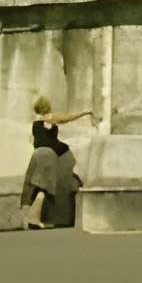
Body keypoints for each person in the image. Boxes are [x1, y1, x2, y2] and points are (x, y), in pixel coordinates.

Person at [22, 96, 88, 230]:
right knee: (45, 187)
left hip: (37, 153)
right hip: (48, 155)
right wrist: (84, 113)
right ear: (47, 107)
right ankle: (34, 217)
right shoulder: (50, 118)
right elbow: (67, 118)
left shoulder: (35, 120)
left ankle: (32, 217)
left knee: (36, 186)